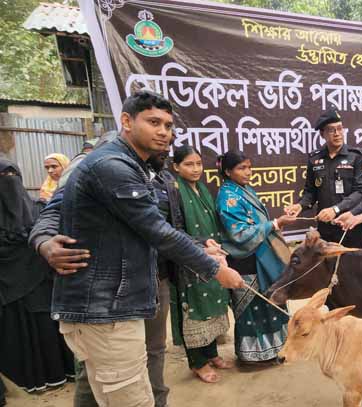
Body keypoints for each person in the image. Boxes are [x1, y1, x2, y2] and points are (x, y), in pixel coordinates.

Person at [51, 90, 244, 407]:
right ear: (126, 121)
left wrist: (199, 246)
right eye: (154, 122)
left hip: (111, 302)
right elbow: (158, 232)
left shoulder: (138, 168)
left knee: (98, 395)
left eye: (168, 125)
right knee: (132, 398)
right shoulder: (112, 166)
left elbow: (148, 228)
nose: (163, 132)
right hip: (106, 309)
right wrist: (215, 269)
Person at [0, 159, 74, 393]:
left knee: (48, 329)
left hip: (41, 285)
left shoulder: (40, 209)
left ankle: (59, 373)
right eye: (3, 177)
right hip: (11, 295)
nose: (9, 182)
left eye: (13, 176)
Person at [217, 151, 294, 364]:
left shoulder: (244, 189)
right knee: (254, 308)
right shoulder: (228, 197)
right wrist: (275, 224)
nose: (248, 172)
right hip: (246, 261)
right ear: (227, 171)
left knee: (270, 304)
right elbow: (239, 233)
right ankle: (253, 356)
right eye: (242, 168)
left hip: (260, 256)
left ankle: (275, 350)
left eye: (249, 167)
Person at [169, 146, 233, 383]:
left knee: (213, 304)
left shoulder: (202, 188)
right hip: (188, 259)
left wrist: (213, 246)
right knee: (195, 309)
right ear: (176, 167)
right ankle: (197, 362)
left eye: (198, 163)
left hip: (211, 256)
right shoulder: (174, 192)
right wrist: (200, 244)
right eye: (188, 164)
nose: (196, 169)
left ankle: (212, 353)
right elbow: (174, 231)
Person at [284, 109, 362, 248]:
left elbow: (361, 192)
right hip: (325, 229)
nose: (337, 134)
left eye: (340, 129)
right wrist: (300, 206)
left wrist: (335, 209)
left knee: (352, 267)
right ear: (322, 134)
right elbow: (310, 192)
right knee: (326, 268)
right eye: (331, 130)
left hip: (351, 227)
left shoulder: (357, 156)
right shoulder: (315, 159)